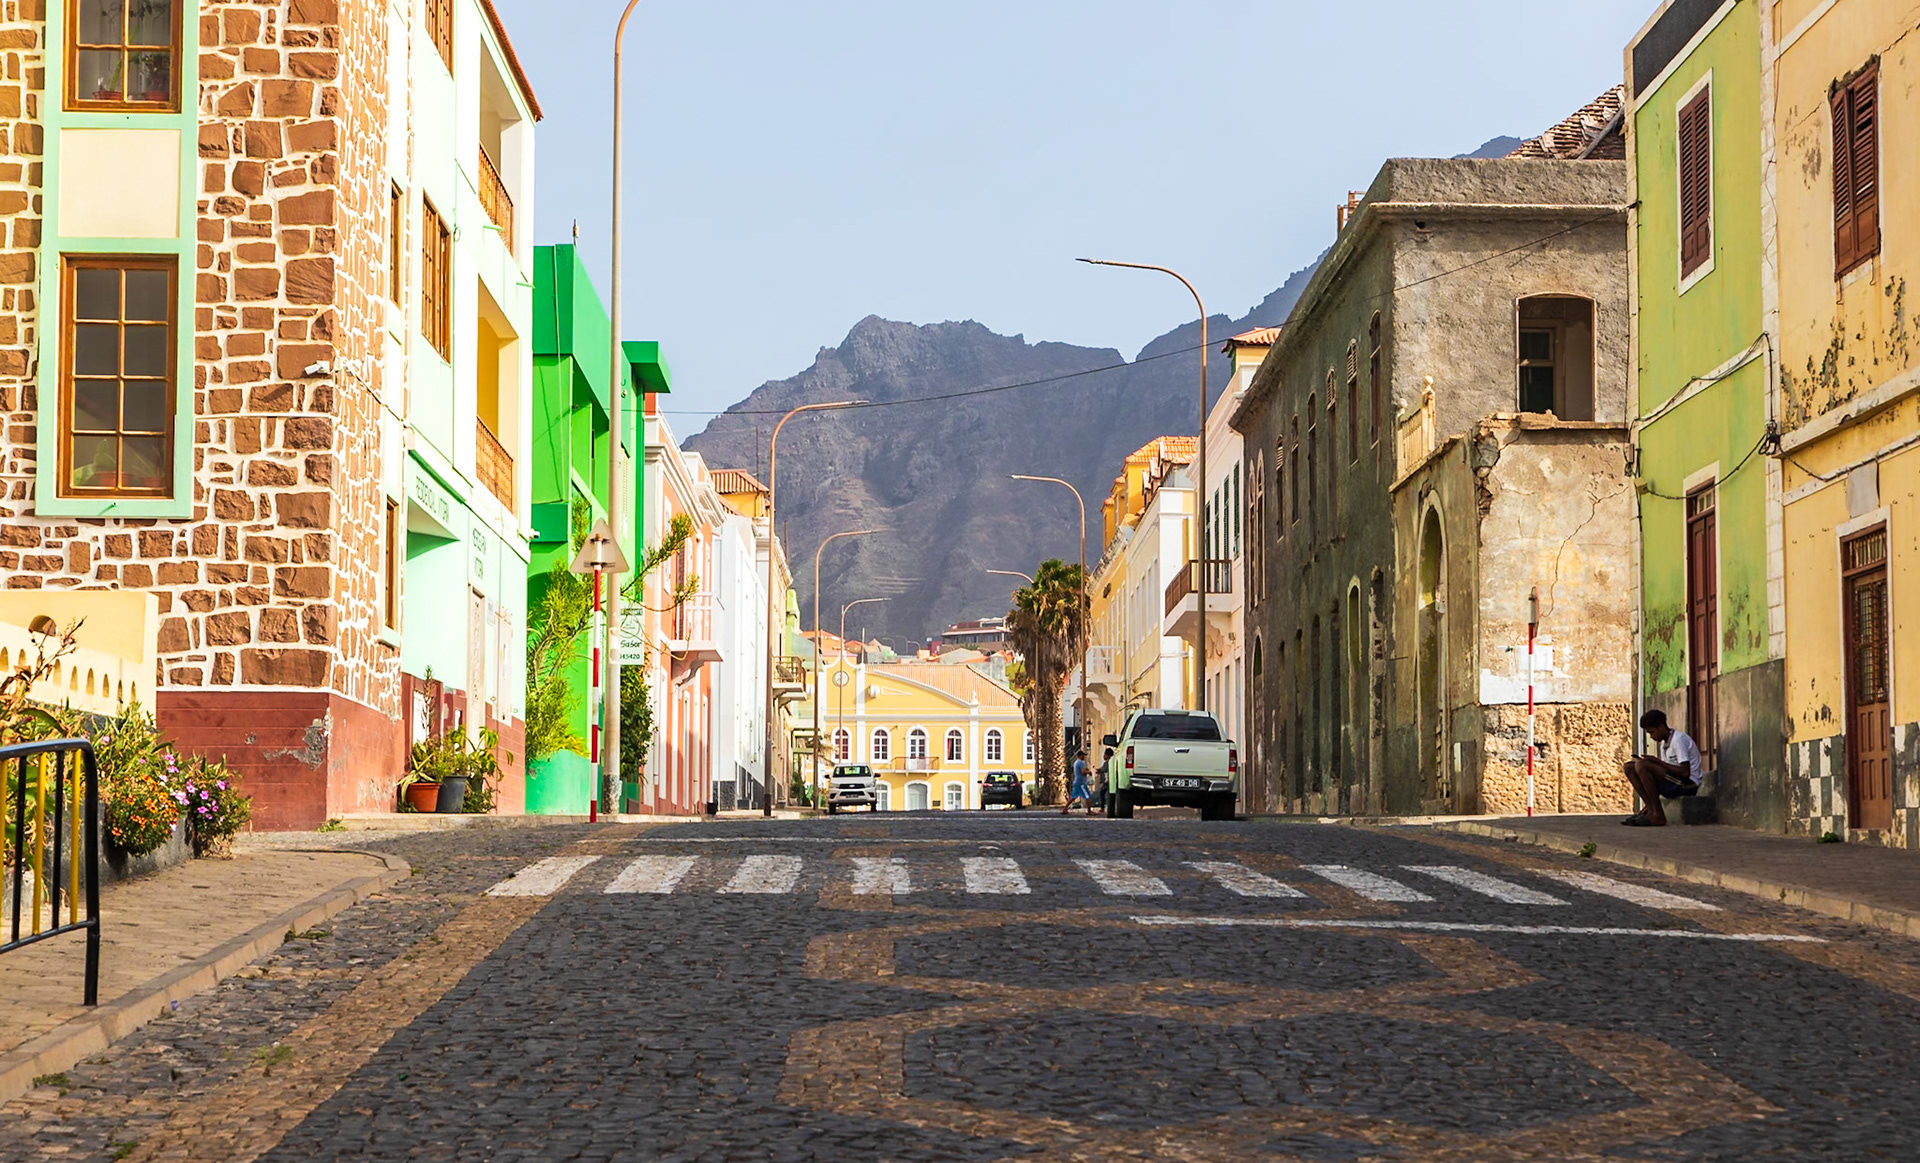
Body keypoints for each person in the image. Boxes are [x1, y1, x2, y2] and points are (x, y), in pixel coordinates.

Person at [1620, 708, 1702, 826]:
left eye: (1652, 732)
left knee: (1642, 765)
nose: (1651, 736)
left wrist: (1657, 762)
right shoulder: (1664, 743)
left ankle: (1658, 814)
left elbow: (1685, 772)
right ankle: (1650, 808)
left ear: (1661, 727)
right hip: (1673, 781)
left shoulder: (1678, 740)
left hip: (1687, 785)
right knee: (1629, 767)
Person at [1062, 750, 1092, 815]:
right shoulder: (1081, 762)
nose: (1084, 757)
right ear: (1080, 756)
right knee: (1087, 796)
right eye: (1083, 755)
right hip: (1081, 783)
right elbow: (1083, 771)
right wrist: (1089, 772)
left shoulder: (1076, 763)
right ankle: (1089, 811)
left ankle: (1065, 808)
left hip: (1076, 782)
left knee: (1073, 796)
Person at [1094, 746, 1115, 812]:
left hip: (1107, 781)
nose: (1103, 756)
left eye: (1104, 754)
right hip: (1109, 781)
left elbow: (1104, 769)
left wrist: (1099, 770)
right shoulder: (1112, 762)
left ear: (1107, 755)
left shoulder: (1108, 763)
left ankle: (1103, 808)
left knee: (1103, 794)